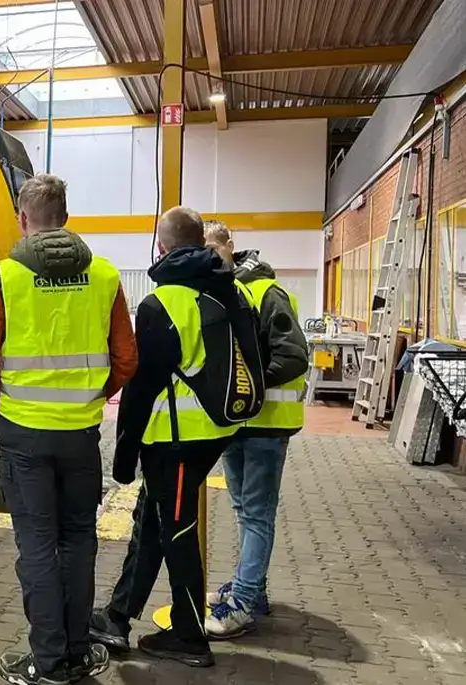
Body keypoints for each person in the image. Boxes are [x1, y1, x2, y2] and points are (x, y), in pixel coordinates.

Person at [0, 174, 135, 685]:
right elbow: (127, 358)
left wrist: (3, 409)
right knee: (80, 540)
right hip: (82, 434)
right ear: (65, 216)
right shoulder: (104, 276)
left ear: (23, 219)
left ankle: (49, 660)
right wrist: (92, 396)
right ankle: (78, 650)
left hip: (23, 437)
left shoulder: (3, 277)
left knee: (37, 544)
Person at [89, 207, 254, 668]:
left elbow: (142, 390)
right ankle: (118, 617)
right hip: (215, 430)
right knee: (155, 522)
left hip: (177, 440)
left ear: (161, 247)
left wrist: (123, 456)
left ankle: (189, 637)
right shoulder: (225, 289)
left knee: (176, 532)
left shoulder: (162, 304)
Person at [203, 222, 308, 638]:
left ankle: (243, 602)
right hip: (237, 421)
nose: (211, 256)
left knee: (258, 514)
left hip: (265, 424)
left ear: (231, 245)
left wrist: (249, 386)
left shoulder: (267, 292)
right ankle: (254, 590)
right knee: (245, 511)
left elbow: (294, 355)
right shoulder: (220, 293)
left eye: (215, 247)